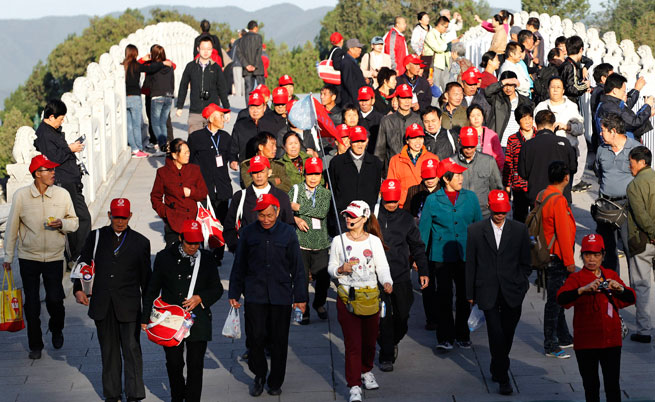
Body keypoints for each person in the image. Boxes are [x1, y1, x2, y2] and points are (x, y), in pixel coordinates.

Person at [229, 194, 307, 397]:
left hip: (281, 295)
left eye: (269, 215)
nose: (265, 219)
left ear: (277, 212)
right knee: (255, 338)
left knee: (279, 340)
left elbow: (298, 268)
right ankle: (260, 375)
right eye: (261, 215)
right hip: (255, 294)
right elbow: (239, 265)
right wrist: (234, 292)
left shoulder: (288, 233)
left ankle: (275, 381)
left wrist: (300, 298)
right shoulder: (247, 233)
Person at [73, 198, 150, 402]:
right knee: (109, 351)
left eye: (124, 217)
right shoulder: (95, 237)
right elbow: (83, 263)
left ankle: (134, 393)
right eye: (116, 216)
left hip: (130, 306)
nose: (120, 221)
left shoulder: (141, 242)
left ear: (130, 216)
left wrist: (148, 310)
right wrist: (78, 289)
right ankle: (112, 393)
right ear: (109, 215)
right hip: (103, 304)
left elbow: (146, 279)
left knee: (132, 350)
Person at [3, 155, 78, 359]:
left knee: (55, 300)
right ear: (37, 173)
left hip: (54, 257)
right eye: (49, 170)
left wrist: (62, 223)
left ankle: (56, 329)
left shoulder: (62, 195)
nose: (53, 173)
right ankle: (35, 344)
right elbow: (12, 228)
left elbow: (75, 222)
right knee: (32, 304)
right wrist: (8, 257)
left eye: (53, 170)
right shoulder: (21, 196)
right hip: (29, 257)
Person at [142, 220, 223, 402]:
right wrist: (145, 317)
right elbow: (152, 289)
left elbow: (217, 289)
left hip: (198, 320)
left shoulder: (207, 259)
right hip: (171, 320)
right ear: (180, 238)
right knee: (174, 363)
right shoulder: (164, 257)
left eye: (197, 243)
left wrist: (200, 298)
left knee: (196, 365)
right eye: (189, 243)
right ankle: (177, 397)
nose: (193, 247)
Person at [466, 190, 531, 396]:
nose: (500, 215)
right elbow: (471, 264)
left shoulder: (520, 230)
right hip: (487, 290)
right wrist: (470, 293)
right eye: (496, 211)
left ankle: (497, 365)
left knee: (507, 333)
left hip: (513, 290)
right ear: (489, 207)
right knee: (495, 333)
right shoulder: (476, 231)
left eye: (503, 211)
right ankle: (504, 378)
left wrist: (521, 283)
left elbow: (526, 263)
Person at [557, 234, 636, 402]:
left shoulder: (610, 275)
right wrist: (582, 290)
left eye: (596, 255)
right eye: (587, 255)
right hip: (586, 342)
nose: (591, 259)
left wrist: (619, 288)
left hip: (611, 341)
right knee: (591, 387)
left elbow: (631, 298)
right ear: (582, 255)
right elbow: (561, 299)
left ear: (603, 255)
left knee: (612, 386)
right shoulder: (576, 278)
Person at [327, 200, 393, 402]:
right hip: (348, 297)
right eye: (347, 215)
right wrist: (340, 270)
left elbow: (382, 267)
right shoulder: (338, 240)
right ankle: (354, 384)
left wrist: (387, 282)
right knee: (353, 343)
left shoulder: (374, 241)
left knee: (370, 340)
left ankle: (366, 370)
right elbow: (331, 267)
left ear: (364, 218)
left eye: (353, 216)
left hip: (371, 296)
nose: (348, 219)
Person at [419, 158, 481, 350]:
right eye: (457, 175)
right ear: (446, 179)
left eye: (462, 174)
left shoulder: (470, 198)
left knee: (464, 295)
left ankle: (462, 334)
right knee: (443, 296)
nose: (461, 178)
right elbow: (424, 230)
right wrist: (419, 260)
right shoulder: (432, 200)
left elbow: (478, 226)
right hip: (441, 257)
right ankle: (445, 337)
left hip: (465, 255)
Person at [376, 180, 429, 371]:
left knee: (403, 315)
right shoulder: (372, 217)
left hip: (400, 275)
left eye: (394, 200)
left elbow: (417, 246)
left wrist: (423, 270)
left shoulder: (406, 219)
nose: (391, 204)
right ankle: (386, 355)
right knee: (384, 318)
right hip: (378, 278)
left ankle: (391, 340)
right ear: (382, 197)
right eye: (388, 200)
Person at [33, 99, 91, 262]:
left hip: (70, 180)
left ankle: (80, 255)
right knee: (80, 218)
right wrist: (69, 148)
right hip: (62, 182)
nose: (62, 121)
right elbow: (52, 159)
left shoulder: (53, 131)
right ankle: (79, 256)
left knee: (78, 218)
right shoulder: (44, 134)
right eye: (60, 118)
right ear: (51, 117)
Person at [539, 160, 577, 358]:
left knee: (558, 298)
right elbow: (563, 233)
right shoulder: (558, 201)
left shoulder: (543, 195)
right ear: (566, 178)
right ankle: (550, 344)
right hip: (557, 256)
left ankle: (563, 337)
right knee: (554, 302)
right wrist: (570, 262)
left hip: (546, 253)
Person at [594, 114, 640, 272]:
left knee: (630, 249)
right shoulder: (601, 149)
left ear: (613, 131)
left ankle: (634, 291)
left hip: (627, 207)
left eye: (603, 130)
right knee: (607, 251)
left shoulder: (635, 149)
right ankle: (612, 289)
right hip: (605, 206)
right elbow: (599, 173)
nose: (600, 134)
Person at [187, 104, 233, 263]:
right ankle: (204, 252)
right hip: (203, 188)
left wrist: (234, 162)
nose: (224, 119)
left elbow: (232, 155)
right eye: (221, 116)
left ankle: (218, 254)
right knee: (204, 222)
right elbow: (190, 163)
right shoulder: (196, 138)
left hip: (222, 187)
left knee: (220, 221)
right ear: (212, 118)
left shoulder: (226, 137)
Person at [288, 157, 331, 324]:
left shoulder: (325, 193)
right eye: (310, 174)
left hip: (320, 242)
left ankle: (319, 303)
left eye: (317, 174)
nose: (313, 178)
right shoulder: (296, 189)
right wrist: (296, 219)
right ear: (304, 174)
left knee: (323, 278)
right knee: (301, 279)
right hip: (300, 242)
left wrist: (298, 208)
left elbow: (321, 212)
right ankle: (303, 309)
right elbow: (286, 210)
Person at [223, 155, 294, 253]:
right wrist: (236, 248)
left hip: (276, 254)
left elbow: (289, 225)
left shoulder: (281, 197)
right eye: (255, 172)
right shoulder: (240, 197)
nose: (259, 175)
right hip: (249, 254)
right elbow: (228, 226)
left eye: (262, 171)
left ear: (269, 172)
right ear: (251, 174)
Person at [534, 77, 588, 192]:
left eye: (558, 87)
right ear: (548, 89)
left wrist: (567, 127)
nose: (555, 90)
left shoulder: (572, 106)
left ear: (563, 90)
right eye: (552, 87)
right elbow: (534, 127)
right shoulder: (541, 106)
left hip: (566, 151)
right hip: (546, 152)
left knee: (565, 189)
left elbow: (580, 129)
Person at [150, 138, 208, 246]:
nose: (188, 155)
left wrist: (191, 192)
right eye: (185, 153)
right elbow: (155, 197)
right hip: (173, 222)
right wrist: (165, 213)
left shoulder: (194, 169)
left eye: (188, 152)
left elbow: (203, 193)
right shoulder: (162, 173)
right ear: (175, 155)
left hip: (192, 221)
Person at [329, 126, 383, 236]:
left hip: (366, 219)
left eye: (362, 141)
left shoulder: (375, 163)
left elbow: (376, 190)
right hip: (344, 219)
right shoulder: (337, 162)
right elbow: (333, 190)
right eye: (356, 141)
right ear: (350, 142)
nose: (360, 144)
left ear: (367, 141)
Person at [626, 146, 655, 344]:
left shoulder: (635, 185)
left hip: (643, 241)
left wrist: (653, 234)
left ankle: (644, 330)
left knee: (642, 285)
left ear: (641, 162)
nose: (630, 166)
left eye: (632, 162)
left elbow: (641, 215)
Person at [518, 110, 577, 206]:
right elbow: (573, 167)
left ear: (536, 125)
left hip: (537, 198)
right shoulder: (565, 143)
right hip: (561, 197)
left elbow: (523, 173)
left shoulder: (527, 145)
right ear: (554, 125)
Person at [176, 37, 230, 134]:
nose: (206, 52)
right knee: (195, 141)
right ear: (198, 49)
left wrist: (226, 109)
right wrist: (180, 106)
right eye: (203, 49)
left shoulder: (216, 68)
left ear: (212, 50)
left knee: (212, 143)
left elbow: (222, 89)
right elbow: (183, 86)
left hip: (213, 112)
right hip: (195, 111)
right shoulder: (191, 66)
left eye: (209, 49)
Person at [122, 44, 169, 157]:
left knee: (128, 125)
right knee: (136, 125)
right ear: (135, 53)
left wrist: (142, 59)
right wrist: (162, 63)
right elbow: (150, 68)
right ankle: (139, 148)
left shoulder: (123, 66)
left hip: (125, 98)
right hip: (135, 97)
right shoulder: (136, 66)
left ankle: (134, 149)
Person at [454, 127, 503, 218]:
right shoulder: (452, 163)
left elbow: (497, 187)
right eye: (466, 145)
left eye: (472, 146)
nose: (469, 149)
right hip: (459, 214)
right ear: (460, 142)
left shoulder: (488, 161)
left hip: (483, 214)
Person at [387, 123, 438, 208]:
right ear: (407, 140)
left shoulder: (433, 158)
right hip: (404, 207)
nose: (418, 141)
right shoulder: (395, 160)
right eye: (414, 138)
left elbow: (438, 184)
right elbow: (392, 187)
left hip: (428, 205)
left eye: (420, 137)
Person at [374, 84, 421, 172]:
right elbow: (380, 149)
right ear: (397, 99)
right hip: (392, 169)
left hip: (412, 169)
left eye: (409, 98)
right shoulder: (386, 120)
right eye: (403, 98)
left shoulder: (417, 120)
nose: (407, 101)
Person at [595, 73, 654, 142]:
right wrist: (647, 106)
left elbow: (626, 108)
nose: (625, 94)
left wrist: (636, 90)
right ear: (615, 91)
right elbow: (634, 122)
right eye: (623, 91)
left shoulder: (607, 103)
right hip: (621, 149)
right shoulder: (610, 107)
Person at [502, 104, 535, 223]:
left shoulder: (539, 137)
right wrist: (507, 184)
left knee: (536, 219)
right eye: (524, 118)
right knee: (519, 218)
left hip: (535, 185)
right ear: (518, 121)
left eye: (530, 118)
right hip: (519, 186)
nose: (528, 121)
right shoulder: (512, 139)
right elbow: (509, 163)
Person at [484, 71, 534, 148]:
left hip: (518, 144)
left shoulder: (525, 101)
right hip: (499, 143)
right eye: (505, 85)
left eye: (510, 85)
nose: (508, 88)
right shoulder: (497, 99)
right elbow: (487, 91)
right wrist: (503, 82)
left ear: (515, 85)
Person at [228, 91, 277, 165]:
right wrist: (233, 160)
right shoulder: (240, 125)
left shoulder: (272, 123)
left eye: (258, 107)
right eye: (252, 107)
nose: (255, 111)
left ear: (264, 107)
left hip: (269, 167)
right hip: (247, 167)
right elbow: (232, 148)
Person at [144, 44, 175, 151]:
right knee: (163, 122)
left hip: (156, 96)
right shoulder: (169, 66)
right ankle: (167, 144)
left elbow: (146, 80)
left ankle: (162, 146)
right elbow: (172, 81)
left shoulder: (153, 67)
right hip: (168, 96)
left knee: (155, 123)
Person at [466, 105, 504, 171]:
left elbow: (499, 156)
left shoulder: (491, 135)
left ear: (483, 117)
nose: (476, 118)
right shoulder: (465, 134)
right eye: (473, 116)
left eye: (478, 115)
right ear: (468, 118)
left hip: (487, 171)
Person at [422, 16, 455, 91]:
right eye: (445, 27)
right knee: (435, 90)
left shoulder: (441, 35)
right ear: (440, 25)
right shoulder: (430, 34)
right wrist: (446, 45)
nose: (446, 29)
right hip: (434, 65)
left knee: (446, 89)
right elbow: (438, 48)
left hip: (444, 65)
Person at [558, 35, 590, 107]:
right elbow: (571, 88)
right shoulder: (570, 66)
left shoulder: (567, 63)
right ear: (581, 49)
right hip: (568, 103)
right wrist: (585, 85)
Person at [590, 63, 614, 151]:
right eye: (612, 76)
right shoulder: (602, 93)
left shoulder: (597, 90)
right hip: (602, 137)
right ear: (603, 78)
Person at [237, 20, 265, 100]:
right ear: (255, 28)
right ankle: (262, 106)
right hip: (258, 68)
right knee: (261, 88)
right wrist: (254, 65)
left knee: (248, 89)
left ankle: (248, 108)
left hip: (247, 69)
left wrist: (246, 65)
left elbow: (239, 53)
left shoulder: (241, 39)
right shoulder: (258, 37)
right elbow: (258, 53)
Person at [340, 39, 368, 107]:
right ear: (351, 49)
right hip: (351, 102)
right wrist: (356, 101)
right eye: (358, 48)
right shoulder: (347, 62)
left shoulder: (351, 61)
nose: (360, 50)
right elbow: (349, 84)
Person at [357, 86, 383, 153]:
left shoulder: (381, 119)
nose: (363, 103)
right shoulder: (354, 117)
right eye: (361, 100)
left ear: (373, 100)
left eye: (366, 100)